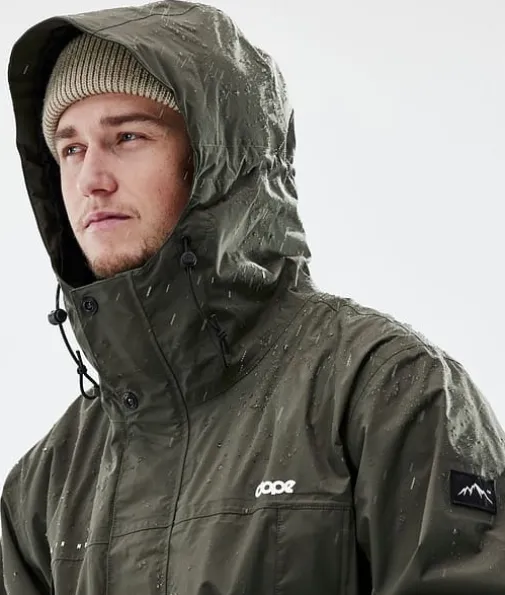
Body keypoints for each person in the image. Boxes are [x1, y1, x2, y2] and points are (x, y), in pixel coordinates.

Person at [2, 1, 505, 593]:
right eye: (71, 149)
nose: (91, 179)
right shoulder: (46, 486)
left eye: (128, 136)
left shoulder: (387, 392)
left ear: (216, 160)